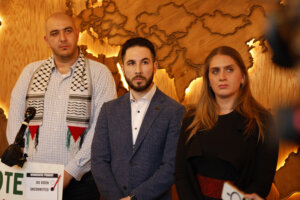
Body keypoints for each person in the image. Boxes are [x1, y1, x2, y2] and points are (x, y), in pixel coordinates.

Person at [6, 12, 116, 200]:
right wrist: (27, 164)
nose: (62, 38)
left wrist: (71, 172)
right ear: (46, 39)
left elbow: (101, 130)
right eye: (55, 33)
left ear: (77, 33)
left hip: (80, 181)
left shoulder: (100, 74)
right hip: (32, 177)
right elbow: (15, 122)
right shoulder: (30, 72)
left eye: (68, 31)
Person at [175, 46, 279, 200]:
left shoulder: (263, 122)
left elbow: (262, 181)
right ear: (208, 80)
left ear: (242, 77)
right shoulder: (191, 119)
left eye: (229, 70)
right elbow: (181, 174)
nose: (222, 77)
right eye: (215, 71)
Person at [91, 37, 185, 200]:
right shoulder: (108, 110)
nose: (138, 70)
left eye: (145, 62)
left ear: (155, 66)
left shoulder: (174, 111)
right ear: (122, 67)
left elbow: (171, 167)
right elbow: (99, 161)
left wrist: (135, 199)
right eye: (131, 63)